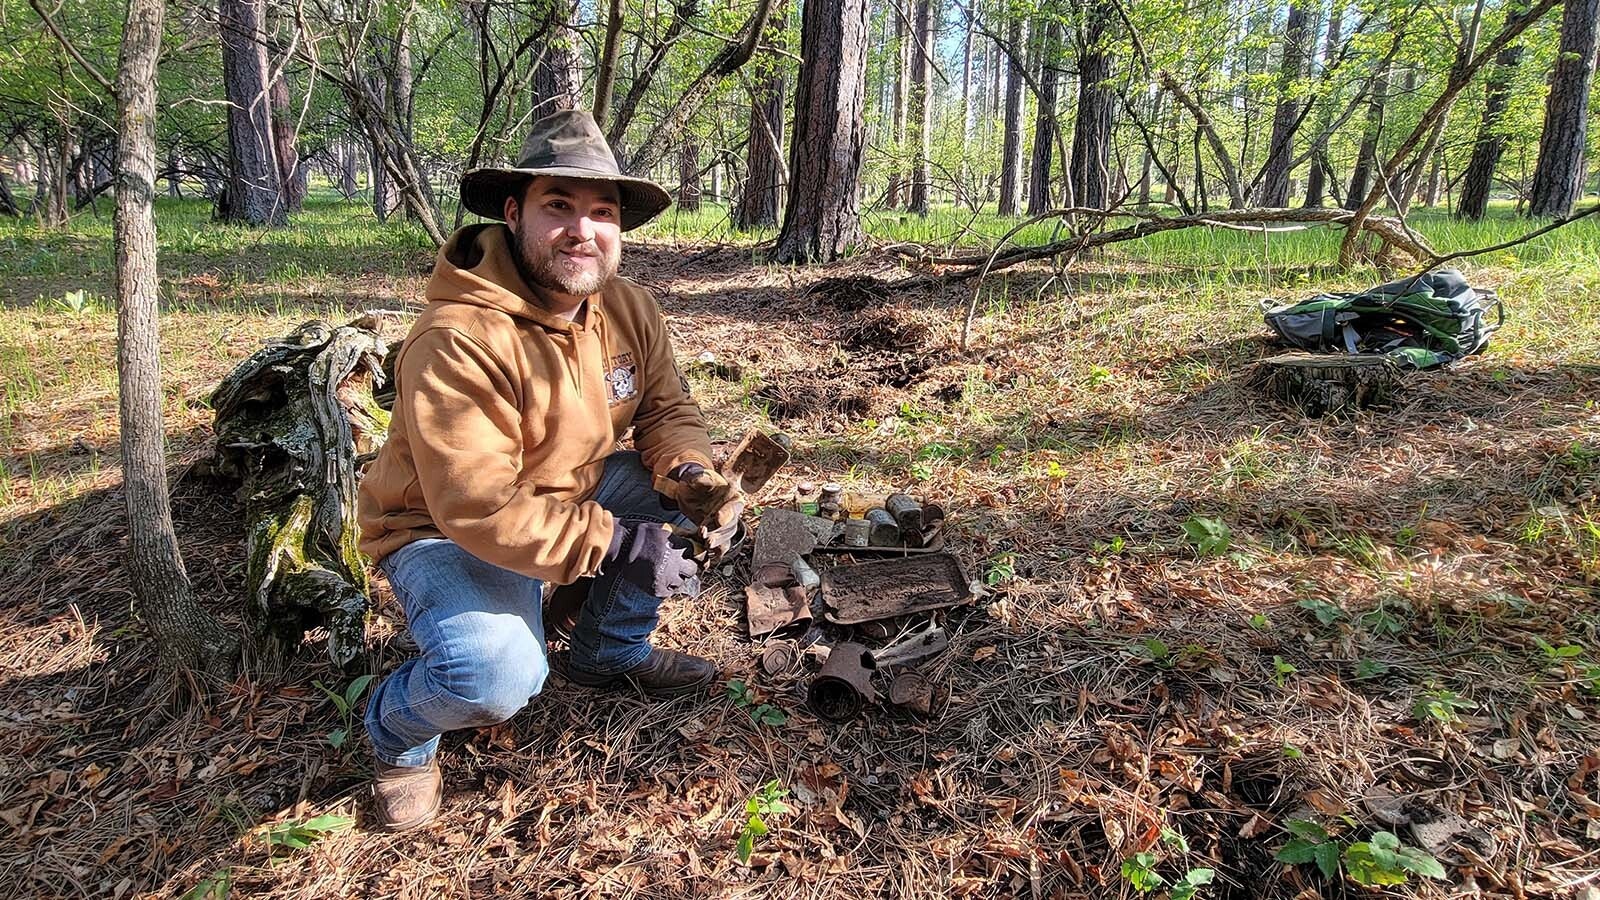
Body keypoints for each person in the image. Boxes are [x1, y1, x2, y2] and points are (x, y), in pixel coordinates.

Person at [355, 110, 737, 832]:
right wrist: (620, 544)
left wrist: (688, 469)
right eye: (558, 206)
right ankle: (396, 733)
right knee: (494, 677)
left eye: (601, 212)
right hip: (441, 530)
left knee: (681, 504)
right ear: (513, 213)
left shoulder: (627, 307)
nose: (581, 229)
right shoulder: (458, 338)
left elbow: (666, 409)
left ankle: (605, 652)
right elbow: (477, 503)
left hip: (569, 492)